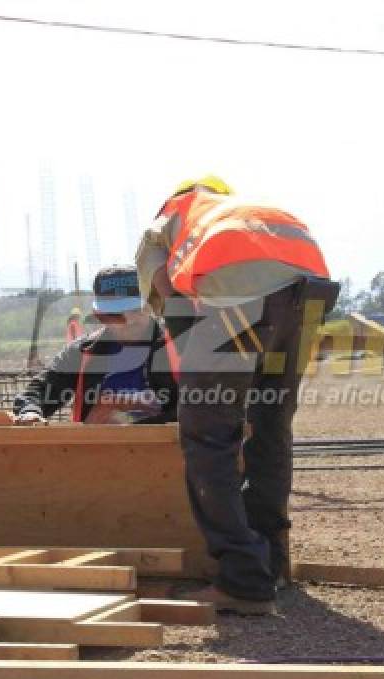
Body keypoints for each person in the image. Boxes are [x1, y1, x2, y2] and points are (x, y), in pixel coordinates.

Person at [135, 175, 339, 614]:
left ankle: (244, 581)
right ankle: (273, 565)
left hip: (241, 293)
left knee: (209, 438)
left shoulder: (167, 222)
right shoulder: (243, 214)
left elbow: (169, 302)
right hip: (311, 292)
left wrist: (198, 385)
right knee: (271, 427)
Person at [13, 268, 178, 425]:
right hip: (96, 451)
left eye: (136, 310)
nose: (129, 320)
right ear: (101, 316)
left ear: (152, 306)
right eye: (117, 314)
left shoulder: (179, 348)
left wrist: (130, 424)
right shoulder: (81, 352)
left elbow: (198, 409)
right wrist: (30, 412)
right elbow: (37, 392)